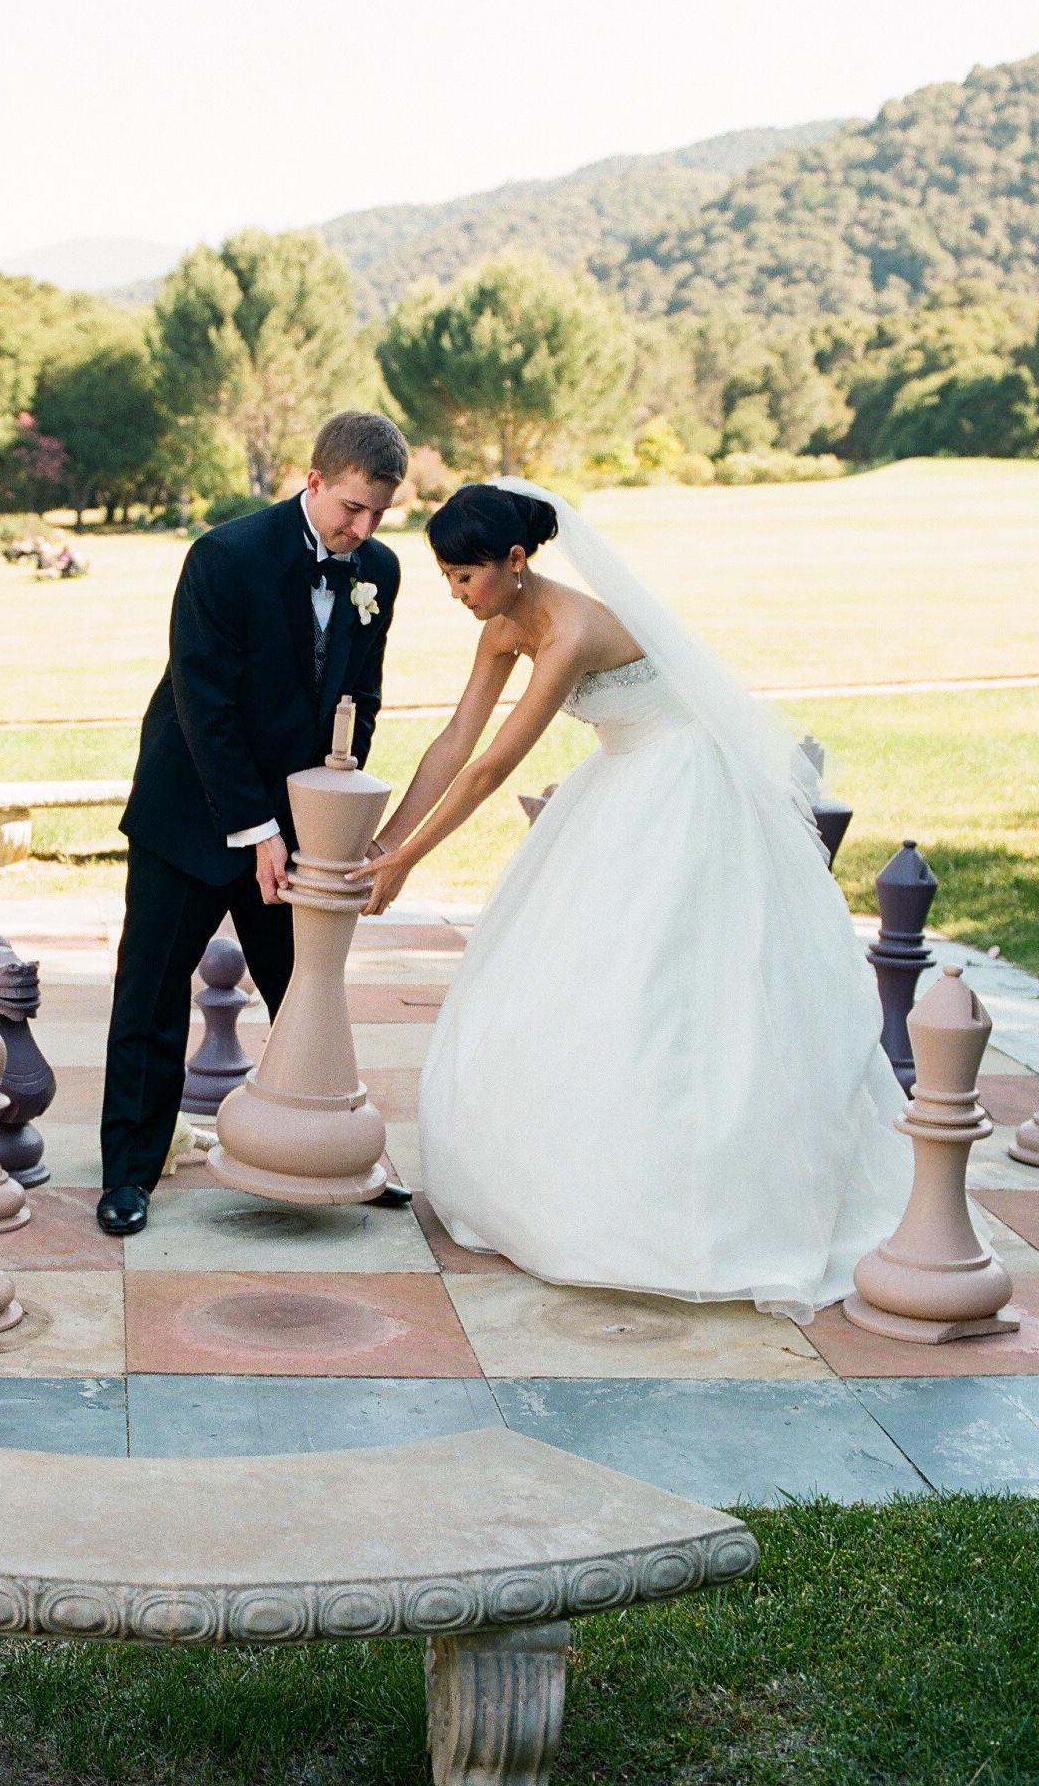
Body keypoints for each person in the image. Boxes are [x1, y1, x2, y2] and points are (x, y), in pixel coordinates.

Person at [348, 481, 909, 1320]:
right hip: (620, 773)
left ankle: (687, 1202)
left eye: (466, 576)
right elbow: (456, 740)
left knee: (658, 978)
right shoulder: (502, 626)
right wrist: (384, 844)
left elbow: (494, 767)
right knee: (556, 972)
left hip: (682, 781)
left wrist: (407, 863)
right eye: (447, 579)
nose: (458, 593)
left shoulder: (571, 630)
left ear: (514, 560)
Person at [99, 410, 414, 1237]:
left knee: (308, 988)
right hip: (189, 812)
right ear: (312, 481)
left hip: (300, 823)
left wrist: (328, 815)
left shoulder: (378, 569)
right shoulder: (223, 556)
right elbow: (203, 705)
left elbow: (361, 699)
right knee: (150, 996)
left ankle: (342, 1154)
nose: (362, 529)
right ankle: (129, 1172)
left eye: (379, 513)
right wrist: (257, 828)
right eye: (350, 508)